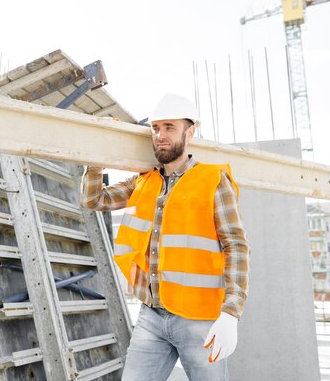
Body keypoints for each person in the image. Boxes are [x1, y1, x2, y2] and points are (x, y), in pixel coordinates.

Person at [80, 93, 250, 381]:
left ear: (190, 131)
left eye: (169, 127)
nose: (160, 135)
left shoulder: (212, 180)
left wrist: (231, 312)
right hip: (151, 316)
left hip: (199, 319)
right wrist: (97, 158)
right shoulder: (144, 181)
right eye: (156, 128)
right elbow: (94, 200)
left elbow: (236, 245)